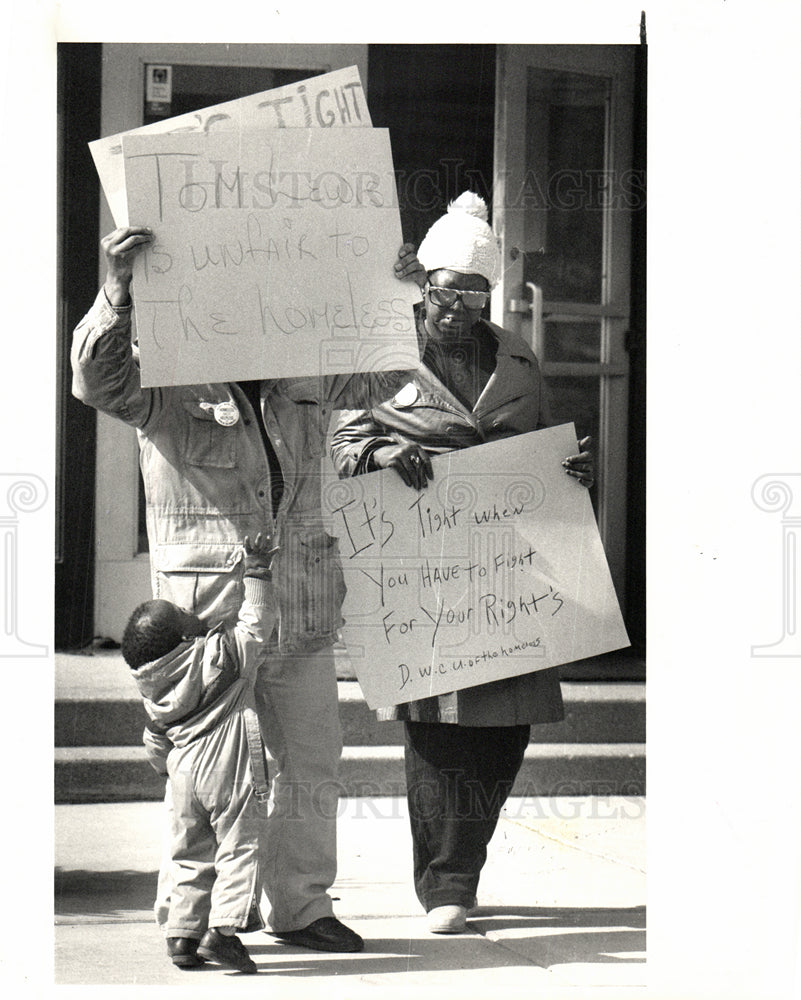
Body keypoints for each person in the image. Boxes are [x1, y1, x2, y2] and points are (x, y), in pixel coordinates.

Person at [72, 226, 412, 953]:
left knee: (311, 761)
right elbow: (94, 381)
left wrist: (398, 298)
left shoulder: (306, 370)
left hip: (302, 602)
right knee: (203, 772)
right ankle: (189, 916)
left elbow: (387, 378)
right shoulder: (163, 378)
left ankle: (300, 906)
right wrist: (117, 293)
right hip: (206, 624)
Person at [330, 192, 595, 934]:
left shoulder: (516, 353)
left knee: (505, 728)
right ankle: (445, 881)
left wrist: (571, 471)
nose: (459, 310)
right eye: (448, 294)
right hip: (424, 568)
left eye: (475, 295)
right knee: (437, 728)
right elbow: (338, 448)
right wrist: (386, 449)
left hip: (511, 566)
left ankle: (462, 866)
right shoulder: (381, 356)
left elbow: (548, 443)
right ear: (424, 287)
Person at [122, 533, 277, 974]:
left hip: (183, 772)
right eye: (188, 616)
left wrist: (165, 770)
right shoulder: (219, 659)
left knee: (188, 852)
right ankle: (223, 933)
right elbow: (255, 622)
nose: (197, 616)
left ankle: (182, 934)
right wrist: (258, 569)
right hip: (229, 768)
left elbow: (155, 742)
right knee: (240, 845)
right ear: (185, 638)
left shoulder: (153, 691)